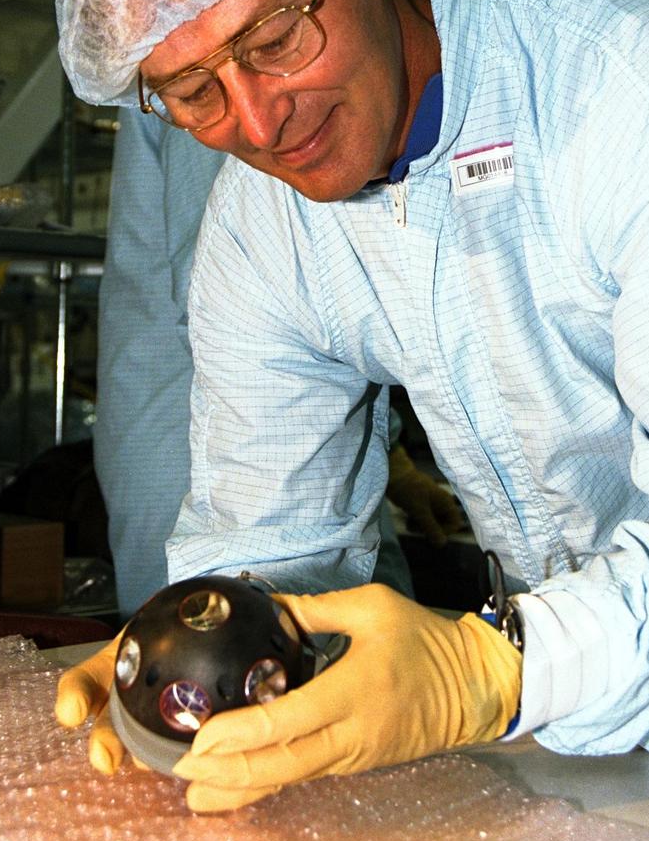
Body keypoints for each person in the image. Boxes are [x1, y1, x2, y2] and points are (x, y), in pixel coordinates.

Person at [54, 0, 649, 814]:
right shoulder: (264, 229)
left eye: (275, 37)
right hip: (594, 728)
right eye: (194, 91)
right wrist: (200, 657)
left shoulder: (630, 89)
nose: (257, 121)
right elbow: (266, 543)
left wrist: (491, 669)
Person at [97, 110, 461, 616]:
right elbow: (250, 275)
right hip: (221, 445)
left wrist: (392, 457)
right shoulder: (217, 83)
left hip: (231, 423)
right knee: (254, 651)